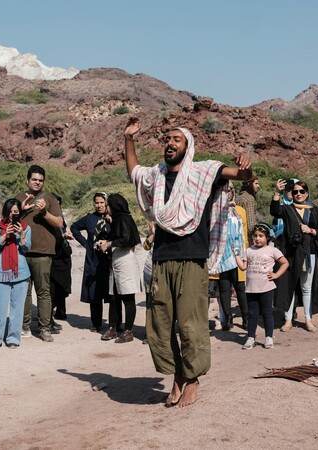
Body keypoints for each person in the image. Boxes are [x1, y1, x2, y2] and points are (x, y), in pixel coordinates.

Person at [124, 117, 252, 408]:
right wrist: (128, 138)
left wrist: (247, 168)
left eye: (176, 140)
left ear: (188, 146)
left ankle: (192, 379)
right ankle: (178, 377)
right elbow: (133, 171)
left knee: (191, 325)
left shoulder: (203, 172)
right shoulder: (156, 175)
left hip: (193, 260)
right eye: (167, 139)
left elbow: (240, 176)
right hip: (162, 259)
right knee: (161, 324)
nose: (170, 143)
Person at [270, 179, 318, 332]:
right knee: (290, 285)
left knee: (306, 287)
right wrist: (277, 192)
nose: (298, 194)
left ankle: (308, 320)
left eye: (302, 191)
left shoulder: (314, 210)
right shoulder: (288, 209)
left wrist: (311, 231)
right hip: (291, 254)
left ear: (307, 193)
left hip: (309, 253)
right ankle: (288, 320)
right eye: (295, 192)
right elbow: (275, 211)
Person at [16, 165, 63, 342]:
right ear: (28, 180)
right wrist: (21, 208)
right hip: (22, 252)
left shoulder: (50, 199)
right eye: (34, 179)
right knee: (24, 292)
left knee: (43, 292)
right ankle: (24, 326)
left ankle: (45, 328)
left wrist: (44, 212)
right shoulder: (20, 197)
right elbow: (6, 219)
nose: (37, 182)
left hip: (43, 253)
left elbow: (59, 223)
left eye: (40, 180)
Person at [233, 223, 288, 349]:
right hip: (251, 289)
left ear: (267, 237)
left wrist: (276, 275)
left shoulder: (272, 250)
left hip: (266, 288)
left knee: (267, 313)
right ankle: (250, 338)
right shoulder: (248, 250)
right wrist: (236, 255)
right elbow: (243, 267)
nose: (257, 238)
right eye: (255, 236)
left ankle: (268, 338)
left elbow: (285, 263)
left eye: (261, 236)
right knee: (252, 314)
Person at [97, 193, 142, 343]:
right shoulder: (118, 220)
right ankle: (113, 327)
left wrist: (109, 244)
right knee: (114, 297)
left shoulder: (124, 219)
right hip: (116, 263)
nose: (106, 207)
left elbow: (126, 239)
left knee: (128, 297)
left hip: (126, 262)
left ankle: (128, 331)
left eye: (108, 204)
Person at [0, 199, 31, 349]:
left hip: (21, 273)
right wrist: (5, 235)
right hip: (1, 273)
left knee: (17, 309)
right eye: (11, 211)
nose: (13, 214)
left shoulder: (26, 228)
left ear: (20, 212)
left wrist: (21, 236)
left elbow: (26, 249)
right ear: (6, 212)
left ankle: (13, 339)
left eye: (16, 212)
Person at [71, 192, 115, 335]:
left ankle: (114, 323)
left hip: (108, 260)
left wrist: (112, 220)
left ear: (106, 203)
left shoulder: (112, 219)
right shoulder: (89, 218)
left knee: (111, 292)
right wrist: (86, 243)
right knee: (94, 292)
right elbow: (74, 227)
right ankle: (96, 323)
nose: (99, 205)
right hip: (93, 260)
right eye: (97, 202)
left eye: (102, 202)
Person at [215, 181, 249, 331]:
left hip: (238, 252)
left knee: (240, 286)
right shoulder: (215, 210)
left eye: (230, 190)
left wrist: (246, 254)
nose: (228, 193)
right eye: (225, 190)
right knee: (224, 287)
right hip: (222, 253)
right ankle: (227, 319)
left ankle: (246, 318)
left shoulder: (240, 210)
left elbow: (245, 233)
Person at [50, 194, 72, 323]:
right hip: (54, 256)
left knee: (62, 285)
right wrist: (62, 237)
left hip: (63, 256)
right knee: (52, 287)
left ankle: (61, 310)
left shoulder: (61, 219)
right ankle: (49, 316)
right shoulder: (47, 219)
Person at [236, 175, 259, 244]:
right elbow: (250, 226)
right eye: (256, 183)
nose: (258, 186)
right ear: (249, 184)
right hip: (247, 238)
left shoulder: (239, 197)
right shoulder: (249, 199)